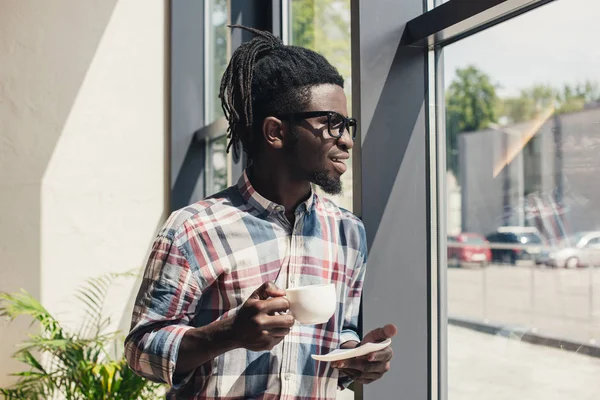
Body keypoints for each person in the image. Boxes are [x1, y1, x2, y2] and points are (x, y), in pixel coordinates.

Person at [124, 25, 396, 399]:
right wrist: (228, 334)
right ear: (275, 132)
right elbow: (140, 351)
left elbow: (341, 330)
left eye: (347, 125)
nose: (347, 140)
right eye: (331, 124)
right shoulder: (194, 229)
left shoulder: (348, 232)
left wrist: (354, 357)